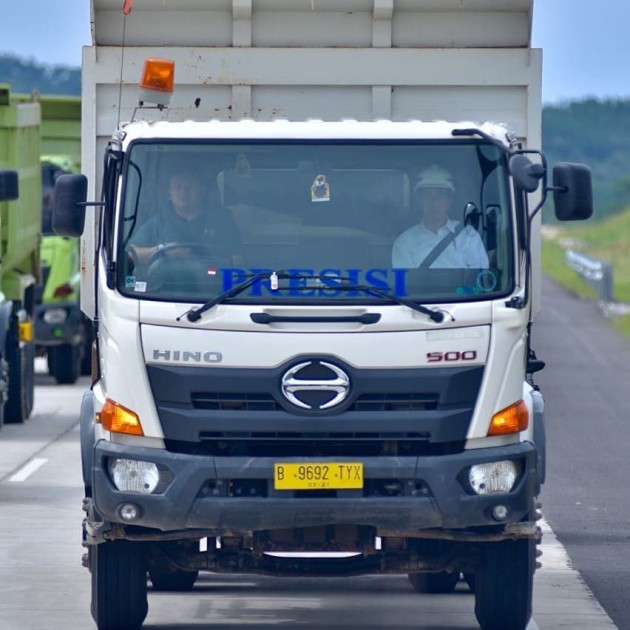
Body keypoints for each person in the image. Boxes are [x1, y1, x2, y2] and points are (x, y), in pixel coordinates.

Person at [128, 165, 242, 269]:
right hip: (162, 287)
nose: (183, 191)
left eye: (189, 186)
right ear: (169, 193)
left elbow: (238, 259)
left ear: (202, 190)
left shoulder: (222, 221)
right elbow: (130, 256)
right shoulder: (157, 223)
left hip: (213, 287)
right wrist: (162, 251)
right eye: (178, 186)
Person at [391, 164, 489, 269]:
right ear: (420, 201)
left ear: (449, 202)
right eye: (427, 196)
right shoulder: (405, 242)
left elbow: (480, 278)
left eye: (440, 196)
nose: (434, 203)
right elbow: (407, 283)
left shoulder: (468, 236)